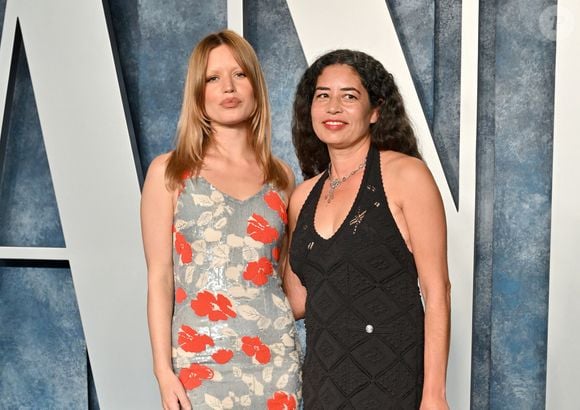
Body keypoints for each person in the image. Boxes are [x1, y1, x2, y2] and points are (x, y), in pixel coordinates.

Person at [141, 30, 301, 410]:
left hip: (276, 363)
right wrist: (163, 372)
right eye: (213, 78)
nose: (228, 87)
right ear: (198, 92)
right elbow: (160, 278)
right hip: (197, 365)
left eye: (239, 74)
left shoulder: (282, 178)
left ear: (256, 86)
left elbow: (284, 281)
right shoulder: (169, 172)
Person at [284, 49, 451, 409]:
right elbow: (296, 302)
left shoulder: (406, 176)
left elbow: (437, 292)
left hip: (393, 381)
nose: (333, 108)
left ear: (375, 111)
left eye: (349, 96)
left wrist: (434, 395)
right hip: (322, 384)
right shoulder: (302, 197)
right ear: (309, 109)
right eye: (322, 96)